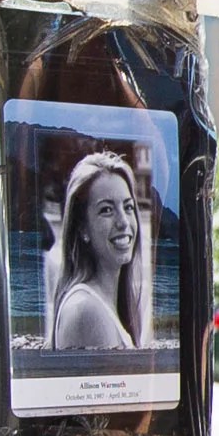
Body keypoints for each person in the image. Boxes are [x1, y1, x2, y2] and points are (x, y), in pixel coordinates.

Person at [44, 149, 150, 354]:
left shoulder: (103, 304)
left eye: (128, 207)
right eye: (106, 210)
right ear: (83, 228)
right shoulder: (86, 309)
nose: (123, 222)